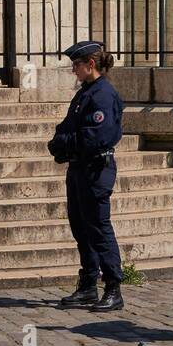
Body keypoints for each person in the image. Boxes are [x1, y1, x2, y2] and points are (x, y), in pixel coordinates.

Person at [49, 41, 125, 312]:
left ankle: (113, 287)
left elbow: (95, 136)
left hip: (95, 169)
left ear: (90, 65)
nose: (73, 71)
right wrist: (61, 143)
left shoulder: (102, 94)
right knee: (81, 226)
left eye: (76, 65)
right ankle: (89, 284)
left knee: (98, 227)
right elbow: (67, 127)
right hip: (79, 168)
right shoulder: (86, 93)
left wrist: (65, 143)